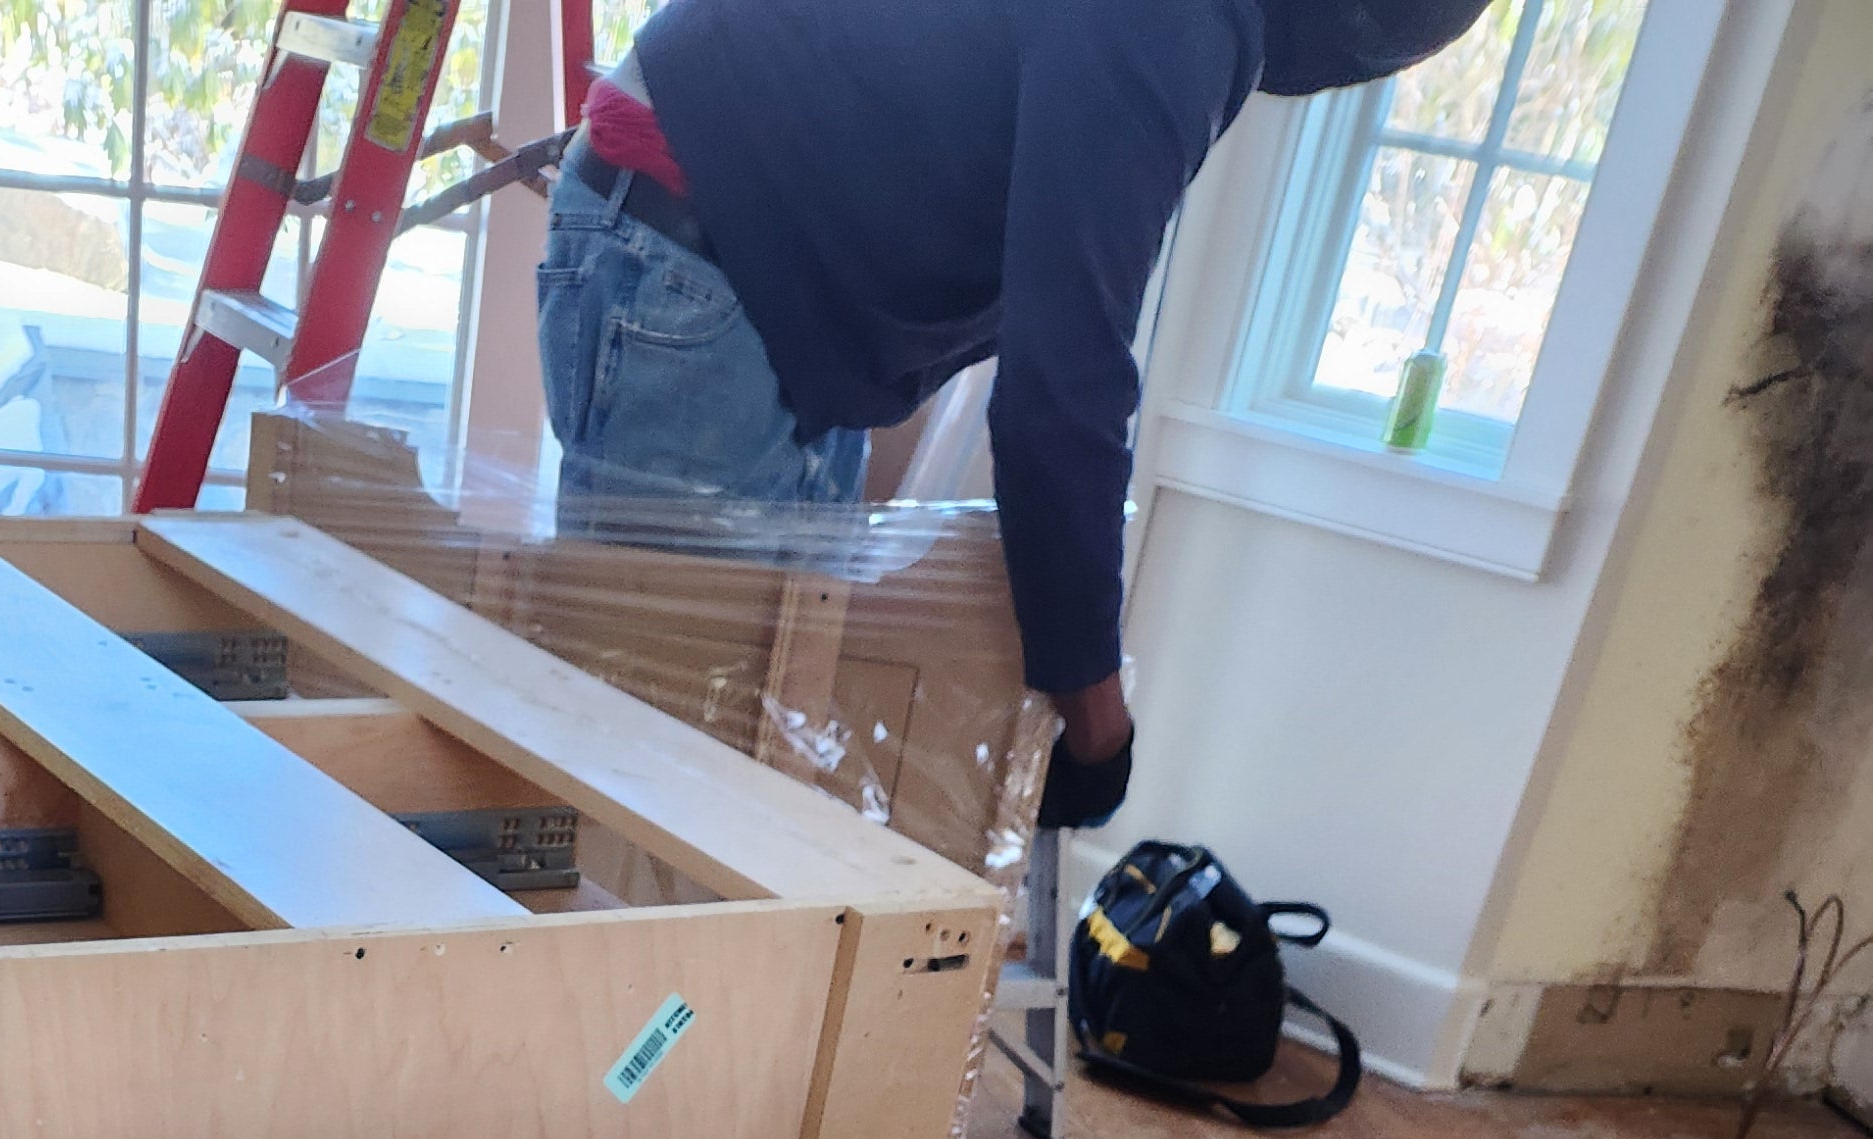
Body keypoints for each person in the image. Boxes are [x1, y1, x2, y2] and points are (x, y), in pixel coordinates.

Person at [536, 2, 1491, 828]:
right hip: (704, 242)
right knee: (656, 776)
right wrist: (1095, 724)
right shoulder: (1166, 21)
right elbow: (1062, 389)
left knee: (742, 748)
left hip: (772, 266)